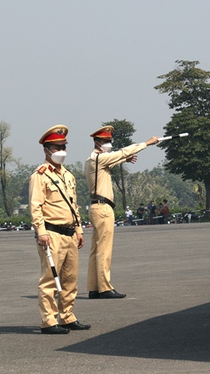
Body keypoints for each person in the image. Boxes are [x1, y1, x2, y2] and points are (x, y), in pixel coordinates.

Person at [85, 125, 159, 299]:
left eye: (110, 141)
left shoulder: (92, 160)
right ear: (96, 142)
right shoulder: (99, 158)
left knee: (96, 249)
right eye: (106, 141)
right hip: (103, 208)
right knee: (104, 250)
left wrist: (123, 160)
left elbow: (115, 159)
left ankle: (94, 287)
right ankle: (104, 288)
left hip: (97, 207)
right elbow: (122, 152)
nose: (109, 144)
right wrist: (147, 143)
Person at [29, 124, 91, 334]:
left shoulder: (68, 175)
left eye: (63, 147)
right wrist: (41, 231)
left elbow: (74, 205)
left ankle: (67, 316)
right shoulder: (40, 175)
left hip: (70, 233)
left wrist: (79, 229)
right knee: (49, 280)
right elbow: (35, 205)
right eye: (57, 147)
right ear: (47, 149)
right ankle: (49, 321)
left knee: (70, 279)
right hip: (51, 234)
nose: (61, 152)